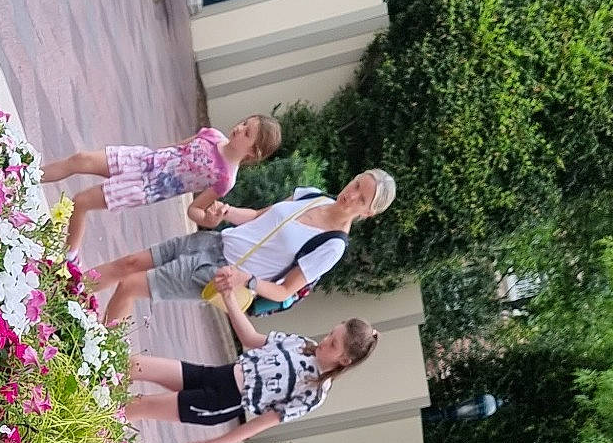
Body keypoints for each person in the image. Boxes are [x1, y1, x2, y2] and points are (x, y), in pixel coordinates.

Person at [89, 169, 396, 327]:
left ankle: (98, 359)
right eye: (357, 185)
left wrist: (245, 280)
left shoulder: (332, 245)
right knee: (129, 263)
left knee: (130, 286)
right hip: (214, 241)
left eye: (362, 198)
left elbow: (284, 291)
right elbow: (260, 216)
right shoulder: (313, 196)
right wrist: (226, 212)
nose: (352, 195)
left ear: (368, 213)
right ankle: (68, 288)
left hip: (220, 272)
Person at [122, 305, 378, 443]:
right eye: (331, 334)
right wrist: (228, 297)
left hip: (222, 401)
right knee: (136, 365)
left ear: (344, 360)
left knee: (139, 405)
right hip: (217, 375)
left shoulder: (314, 393)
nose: (325, 341)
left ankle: (91, 429)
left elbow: (262, 422)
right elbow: (251, 338)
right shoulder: (302, 344)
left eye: (333, 344)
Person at [40, 114, 281, 258]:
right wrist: (152, 157)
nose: (239, 128)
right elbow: (176, 147)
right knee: (80, 159)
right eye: (243, 123)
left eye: (246, 132)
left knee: (81, 202)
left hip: (145, 187)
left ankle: (69, 258)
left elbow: (194, 209)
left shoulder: (225, 178)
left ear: (253, 152)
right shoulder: (212, 135)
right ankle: (27, 172)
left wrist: (209, 220)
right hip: (141, 160)